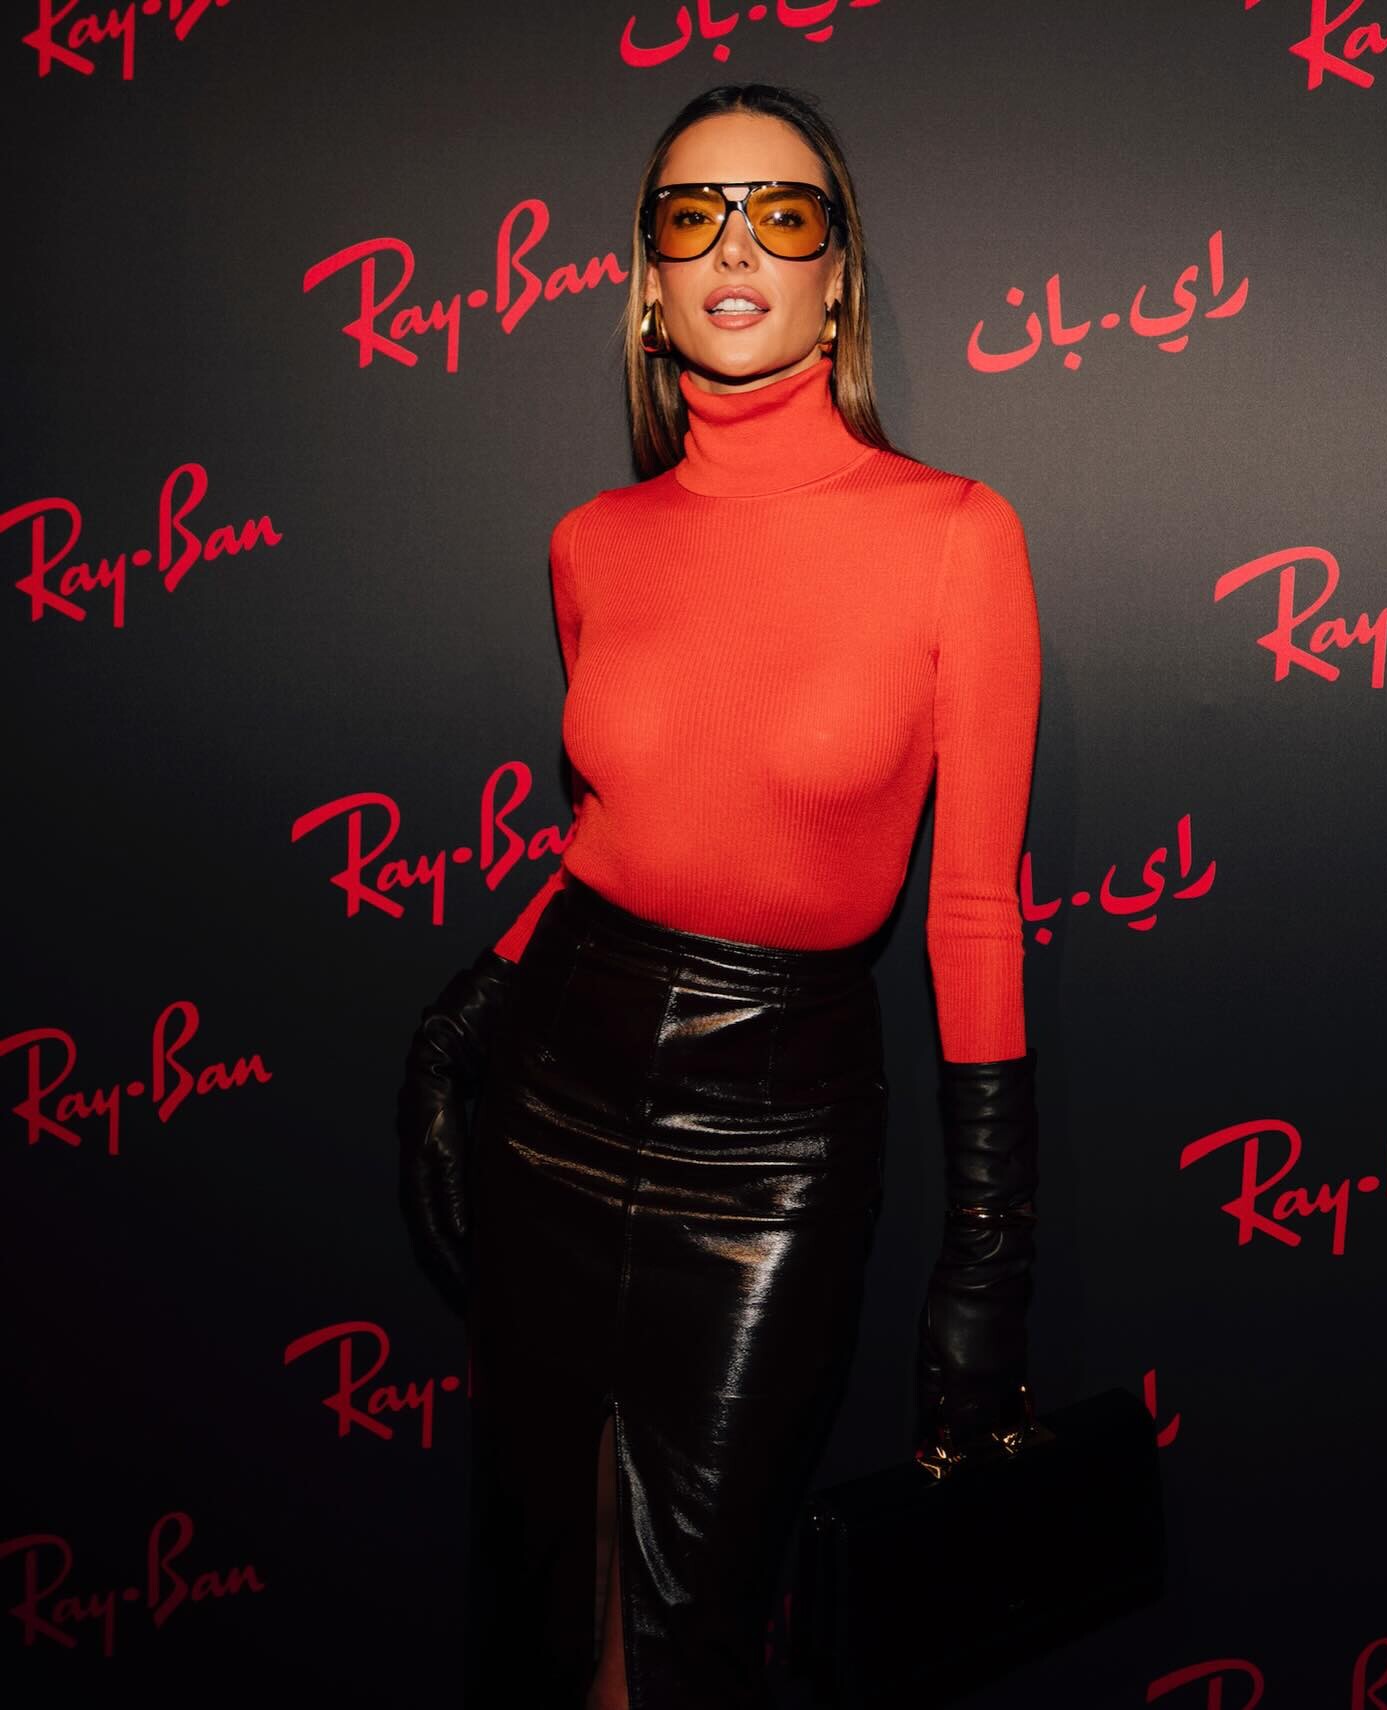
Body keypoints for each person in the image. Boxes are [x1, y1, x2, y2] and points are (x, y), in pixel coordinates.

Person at [396, 82, 1043, 1710]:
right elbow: (615, 828)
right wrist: (472, 1007)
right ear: (649, 283)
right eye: (693, 215)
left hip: (777, 1139)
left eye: (783, 212)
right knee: (545, 1617)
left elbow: (971, 909)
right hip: (555, 1092)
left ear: (837, 278)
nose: (735, 245)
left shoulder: (957, 536)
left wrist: (986, 1261)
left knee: (687, 1642)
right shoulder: (591, 543)